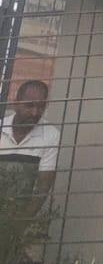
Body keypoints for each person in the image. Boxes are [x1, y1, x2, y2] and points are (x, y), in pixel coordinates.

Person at [1, 80, 59, 233]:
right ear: (15, 104)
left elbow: (43, 187)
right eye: (29, 106)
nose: (35, 113)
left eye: (41, 107)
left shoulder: (50, 135)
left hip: (17, 217)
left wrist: (17, 226)